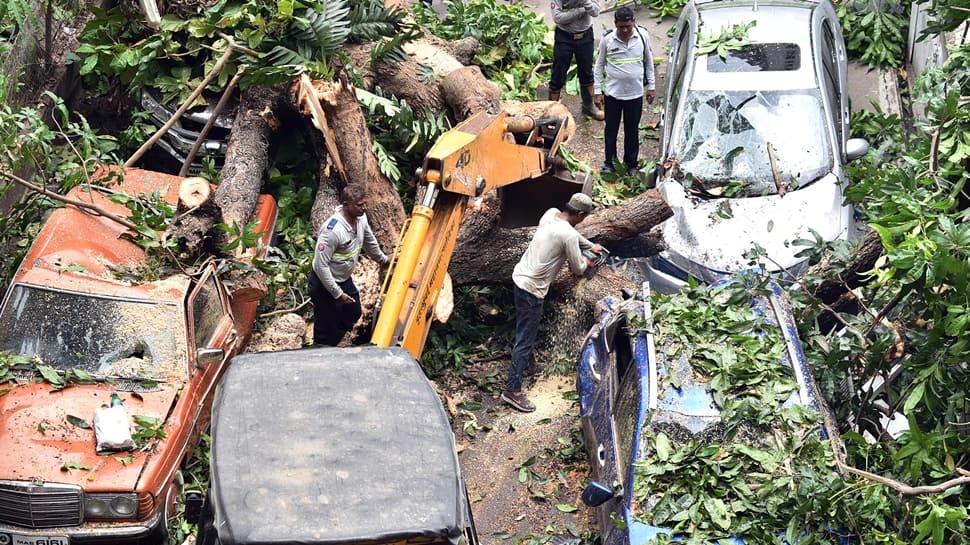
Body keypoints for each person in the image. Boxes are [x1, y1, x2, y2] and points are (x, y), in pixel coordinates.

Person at [502, 193, 604, 412]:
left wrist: (590, 245)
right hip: (532, 290)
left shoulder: (550, 214)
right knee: (525, 339)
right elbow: (578, 269)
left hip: (519, 278)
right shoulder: (567, 235)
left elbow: (572, 236)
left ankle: (528, 366)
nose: (584, 220)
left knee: (524, 330)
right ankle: (512, 391)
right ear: (579, 214)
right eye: (584, 217)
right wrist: (589, 260)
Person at [308, 184, 390, 346]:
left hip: (343, 279)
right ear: (346, 205)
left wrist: (383, 259)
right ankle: (322, 350)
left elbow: (369, 240)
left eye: (364, 203)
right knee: (325, 324)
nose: (364, 208)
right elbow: (320, 266)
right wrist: (337, 293)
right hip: (323, 283)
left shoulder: (361, 219)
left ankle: (337, 340)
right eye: (359, 205)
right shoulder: (332, 231)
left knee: (354, 312)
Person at [593, 6, 656, 174]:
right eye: (621, 26)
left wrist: (652, 87)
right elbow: (599, 66)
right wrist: (598, 92)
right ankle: (609, 163)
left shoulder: (642, 36)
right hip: (613, 94)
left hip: (635, 94)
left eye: (628, 25)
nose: (625, 30)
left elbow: (649, 62)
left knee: (632, 130)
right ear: (615, 24)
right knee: (611, 130)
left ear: (634, 21)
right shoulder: (607, 39)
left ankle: (631, 164)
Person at [549, 0, 604, 121]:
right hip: (564, 36)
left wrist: (586, 2)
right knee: (558, 72)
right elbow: (558, 17)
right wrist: (581, 10)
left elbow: (595, 12)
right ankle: (552, 107)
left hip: (585, 35)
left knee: (586, 71)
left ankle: (589, 105)